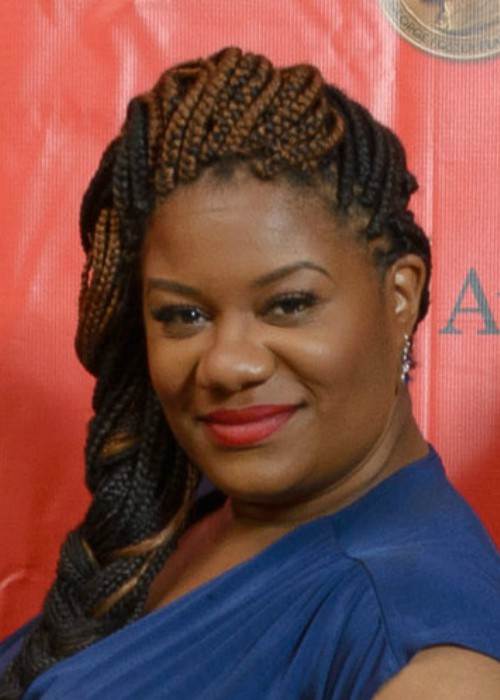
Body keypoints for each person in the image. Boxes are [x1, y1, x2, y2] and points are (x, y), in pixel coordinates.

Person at [1, 46, 499, 699]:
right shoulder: (194, 507)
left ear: (400, 295)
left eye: (288, 305)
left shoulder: (428, 655)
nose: (229, 363)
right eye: (182, 314)